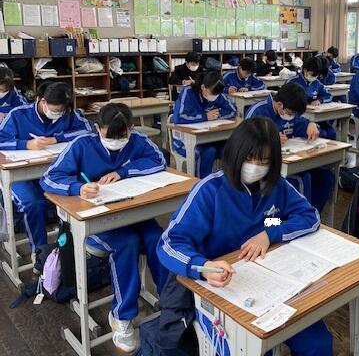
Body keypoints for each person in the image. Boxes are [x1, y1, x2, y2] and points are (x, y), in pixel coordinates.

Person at [157, 118, 331, 356]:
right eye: (249, 159)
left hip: (271, 280)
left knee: (317, 344)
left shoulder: (276, 186)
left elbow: (308, 215)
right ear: (235, 154)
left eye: (264, 162)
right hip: (221, 284)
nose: (255, 167)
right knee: (252, 347)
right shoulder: (210, 191)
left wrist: (269, 232)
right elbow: (170, 243)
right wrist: (203, 266)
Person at [41, 103, 168, 353]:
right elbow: (49, 178)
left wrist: (124, 171)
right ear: (97, 128)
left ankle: (169, 302)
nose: (116, 142)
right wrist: (78, 188)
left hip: (133, 214)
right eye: (110, 135)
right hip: (95, 222)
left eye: (123, 135)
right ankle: (122, 316)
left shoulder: (138, 140)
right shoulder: (81, 145)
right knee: (127, 242)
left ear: (131, 129)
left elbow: (159, 160)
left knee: (158, 238)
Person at [0, 81, 92, 252]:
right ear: (42, 101)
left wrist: (56, 139)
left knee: (79, 195)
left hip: (54, 172)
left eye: (61, 111)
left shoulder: (68, 113)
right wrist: (26, 144)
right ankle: (40, 252)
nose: (58, 115)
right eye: (55, 110)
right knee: (33, 204)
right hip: (20, 173)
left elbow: (87, 130)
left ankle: (67, 248)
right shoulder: (18, 114)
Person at [246, 83, 333, 212]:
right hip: (264, 165)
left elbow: (301, 124)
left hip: (290, 160)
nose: (291, 116)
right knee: (303, 178)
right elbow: (245, 142)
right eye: (291, 113)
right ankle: (301, 214)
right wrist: (269, 139)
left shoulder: (290, 111)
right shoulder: (258, 111)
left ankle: (313, 213)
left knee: (326, 176)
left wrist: (311, 125)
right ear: (280, 105)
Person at [172, 71, 237, 177]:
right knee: (209, 152)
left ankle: (227, 181)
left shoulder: (217, 93)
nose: (214, 97)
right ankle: (202, 182)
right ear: (203, 87)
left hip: (211, 138)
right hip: (184, 140)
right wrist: (205, 116)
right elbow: (179, 118)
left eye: (217, 95)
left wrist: (217, 115)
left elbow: (232, 110)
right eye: (212, 94)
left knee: (230, 148)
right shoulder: (188, 92)